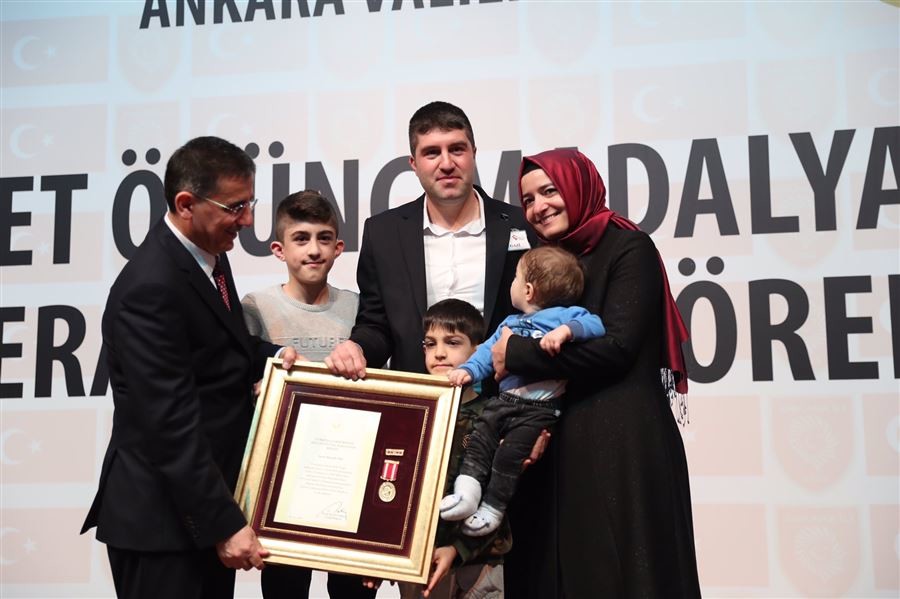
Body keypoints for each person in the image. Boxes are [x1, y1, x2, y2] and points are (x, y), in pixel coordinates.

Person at [81, 136, 298, 599]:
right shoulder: (150, 288)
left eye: (250, 203)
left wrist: (274, 358)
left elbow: (218, 349)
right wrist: (224, 524)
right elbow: (170, 425)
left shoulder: (208, 256)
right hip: (164, 528)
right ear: (186, 204)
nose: (248, 220)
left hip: (198, 515)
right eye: (235, 207)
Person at [498, 148, 701, 598]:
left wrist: (517, 355)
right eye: (527, 199)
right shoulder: (541, 262)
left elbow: (617, 350)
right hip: (556, 445)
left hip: (622, 446)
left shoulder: (629, 247)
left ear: (578, 186)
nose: (538, 207)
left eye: (549, 191)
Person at [325, 100, 534, 383]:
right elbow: (376, 324)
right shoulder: (383, 233)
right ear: (413, 163)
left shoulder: (521, 224)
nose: (446, 164)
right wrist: (358, 348)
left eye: (457, 149)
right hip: (419, 397)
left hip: (504, 396)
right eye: (432, 152)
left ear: (473, 153)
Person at [240, 190, 371, 599]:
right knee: (285, 586)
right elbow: (238, 375)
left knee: (352, 589)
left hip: (349, 474)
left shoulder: (358, 307)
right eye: (301, 238)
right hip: (282, 479)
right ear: (279, 249)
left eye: (323, 238)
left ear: (339, 248)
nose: (313, 250)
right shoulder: (256, 306)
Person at [440, 246, 606, 537]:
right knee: (479, 441)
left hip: (538, 411)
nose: (511, 283)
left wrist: (566, 331)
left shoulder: (566, 316)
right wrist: (467, 370)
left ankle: (492, 508)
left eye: (515, 277)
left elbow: (596, 325)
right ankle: (466, 494)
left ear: (528, 290)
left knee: (509, 457)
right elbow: (486, 353)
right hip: (504, 401)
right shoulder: (509, 323)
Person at [398, 299, 512, 599]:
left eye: (452, 342)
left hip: (477, 563)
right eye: (430, 343)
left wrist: (458, 549)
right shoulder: (409, 414)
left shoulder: (494, 415)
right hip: (418, 562)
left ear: (478, 351)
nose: (439, 353)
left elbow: (498, 496)